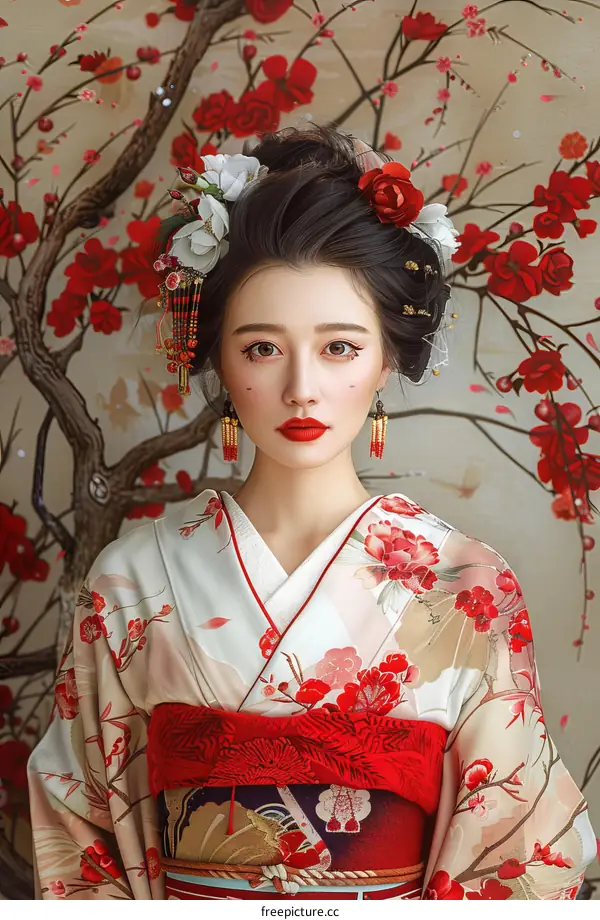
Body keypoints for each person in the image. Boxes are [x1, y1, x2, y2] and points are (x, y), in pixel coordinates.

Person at [27, 124, 596, 900]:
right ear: (219, 357)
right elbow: (80, 836)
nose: (301, 388)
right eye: (262, 348)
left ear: (388, 356)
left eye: (339, 348)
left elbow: (517, 850)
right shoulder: (132, 581)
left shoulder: (464, 586)